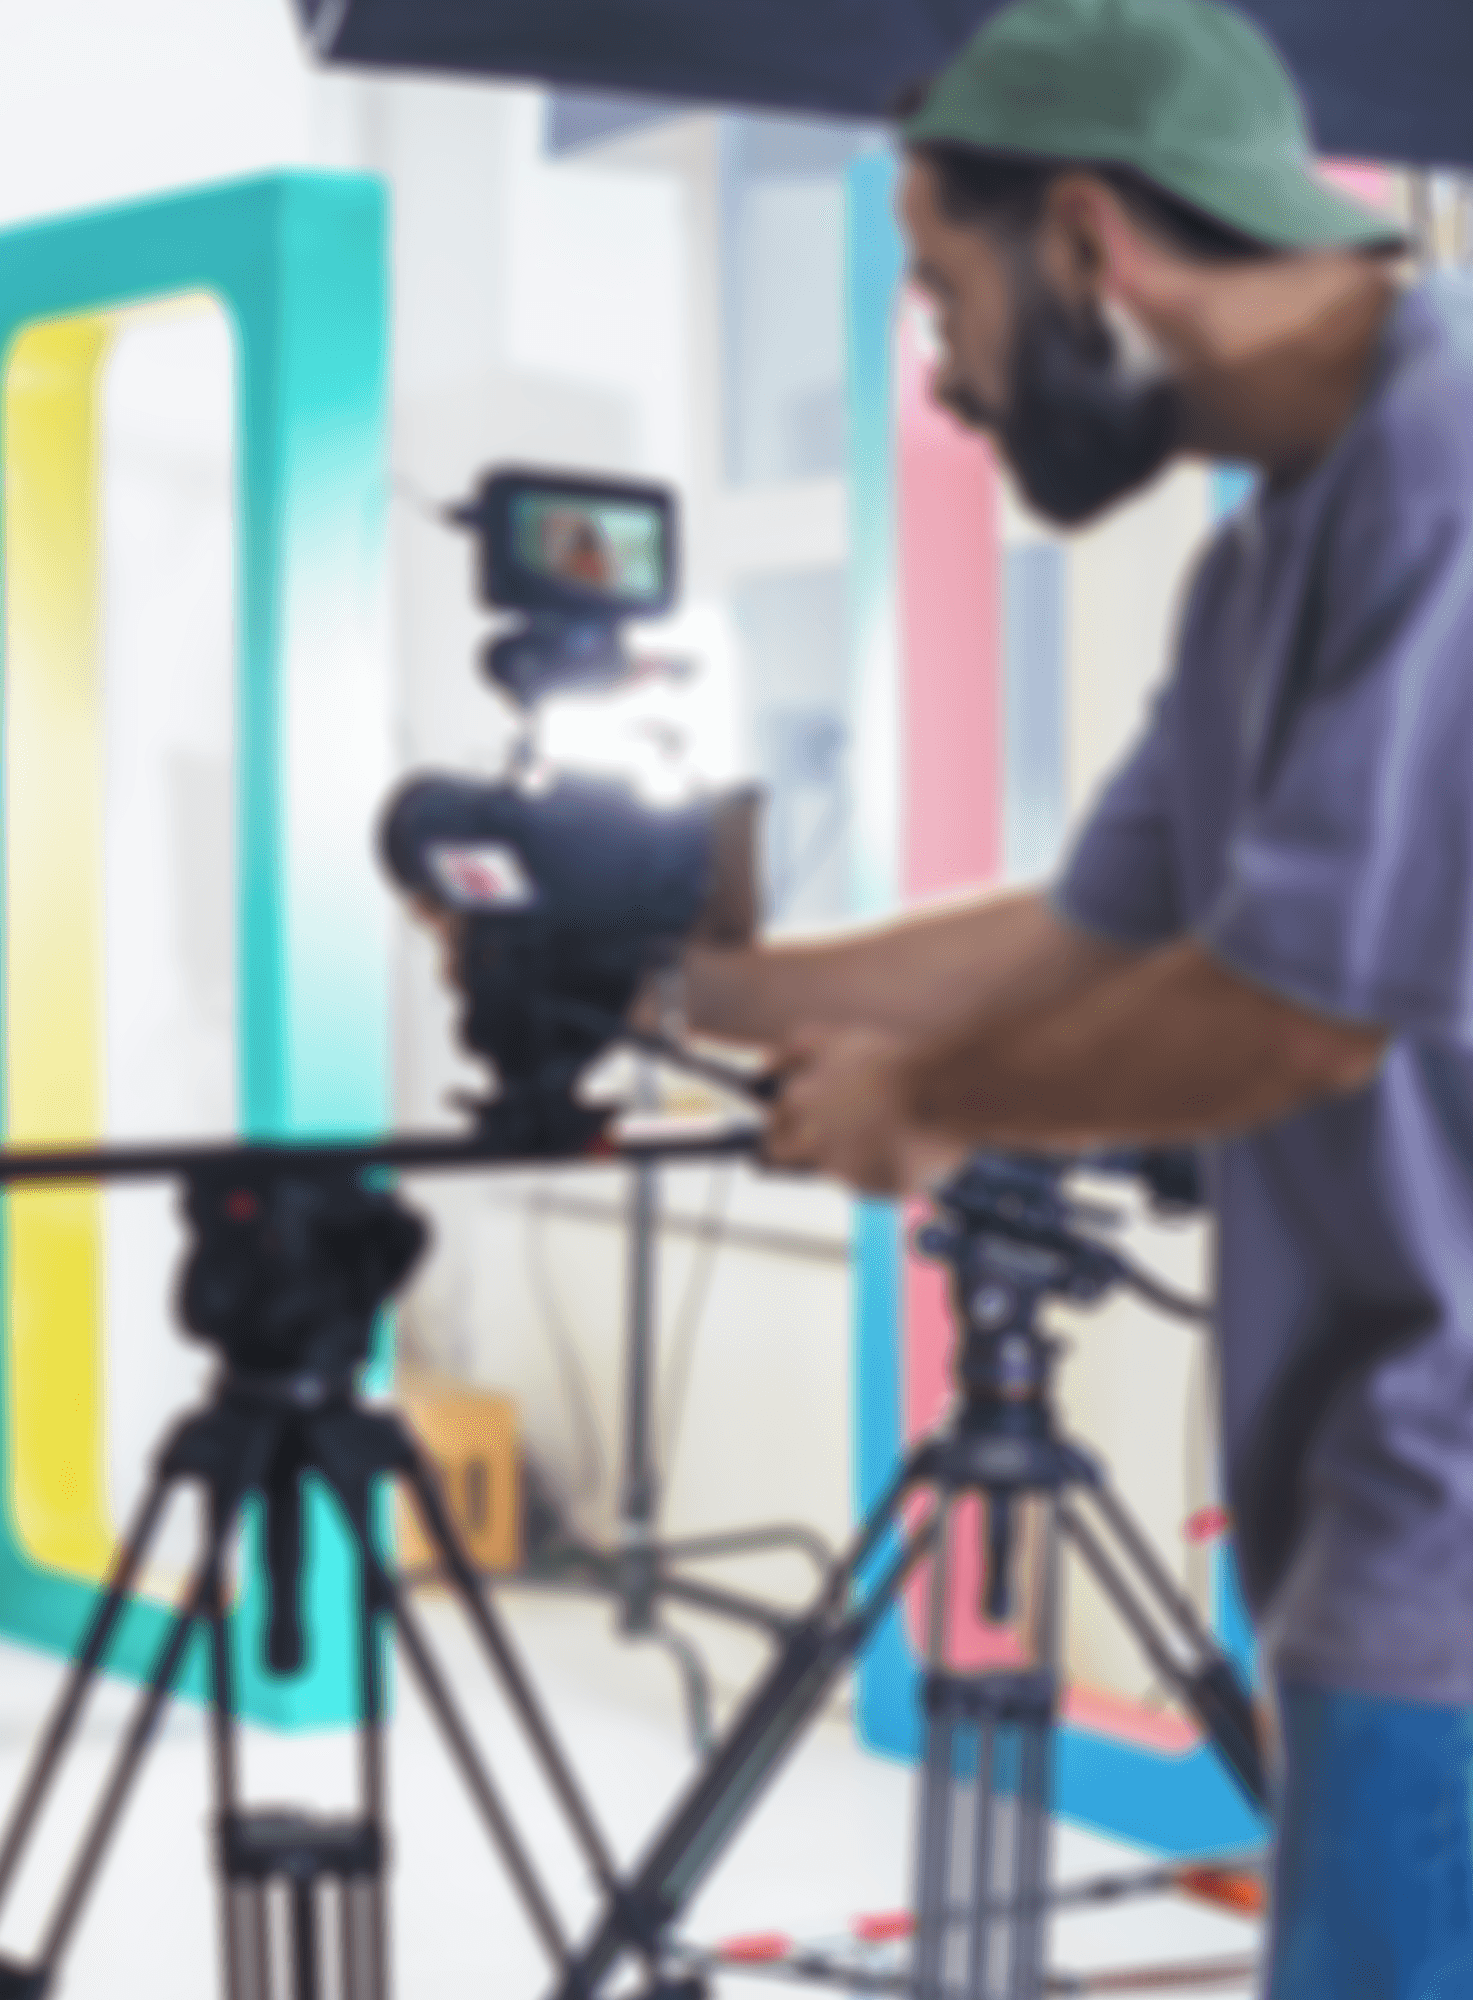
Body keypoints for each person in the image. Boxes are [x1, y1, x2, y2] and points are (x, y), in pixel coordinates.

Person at [661, 1, 1473, 1988]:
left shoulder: (1447, 470)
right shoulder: (1263, 561)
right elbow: (1099, 932)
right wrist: (696, 978)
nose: (943, 373)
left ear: (1092, 243)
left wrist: (936, 1101)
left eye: (947, 294)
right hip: (1388, 1540)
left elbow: (1297, 1008)